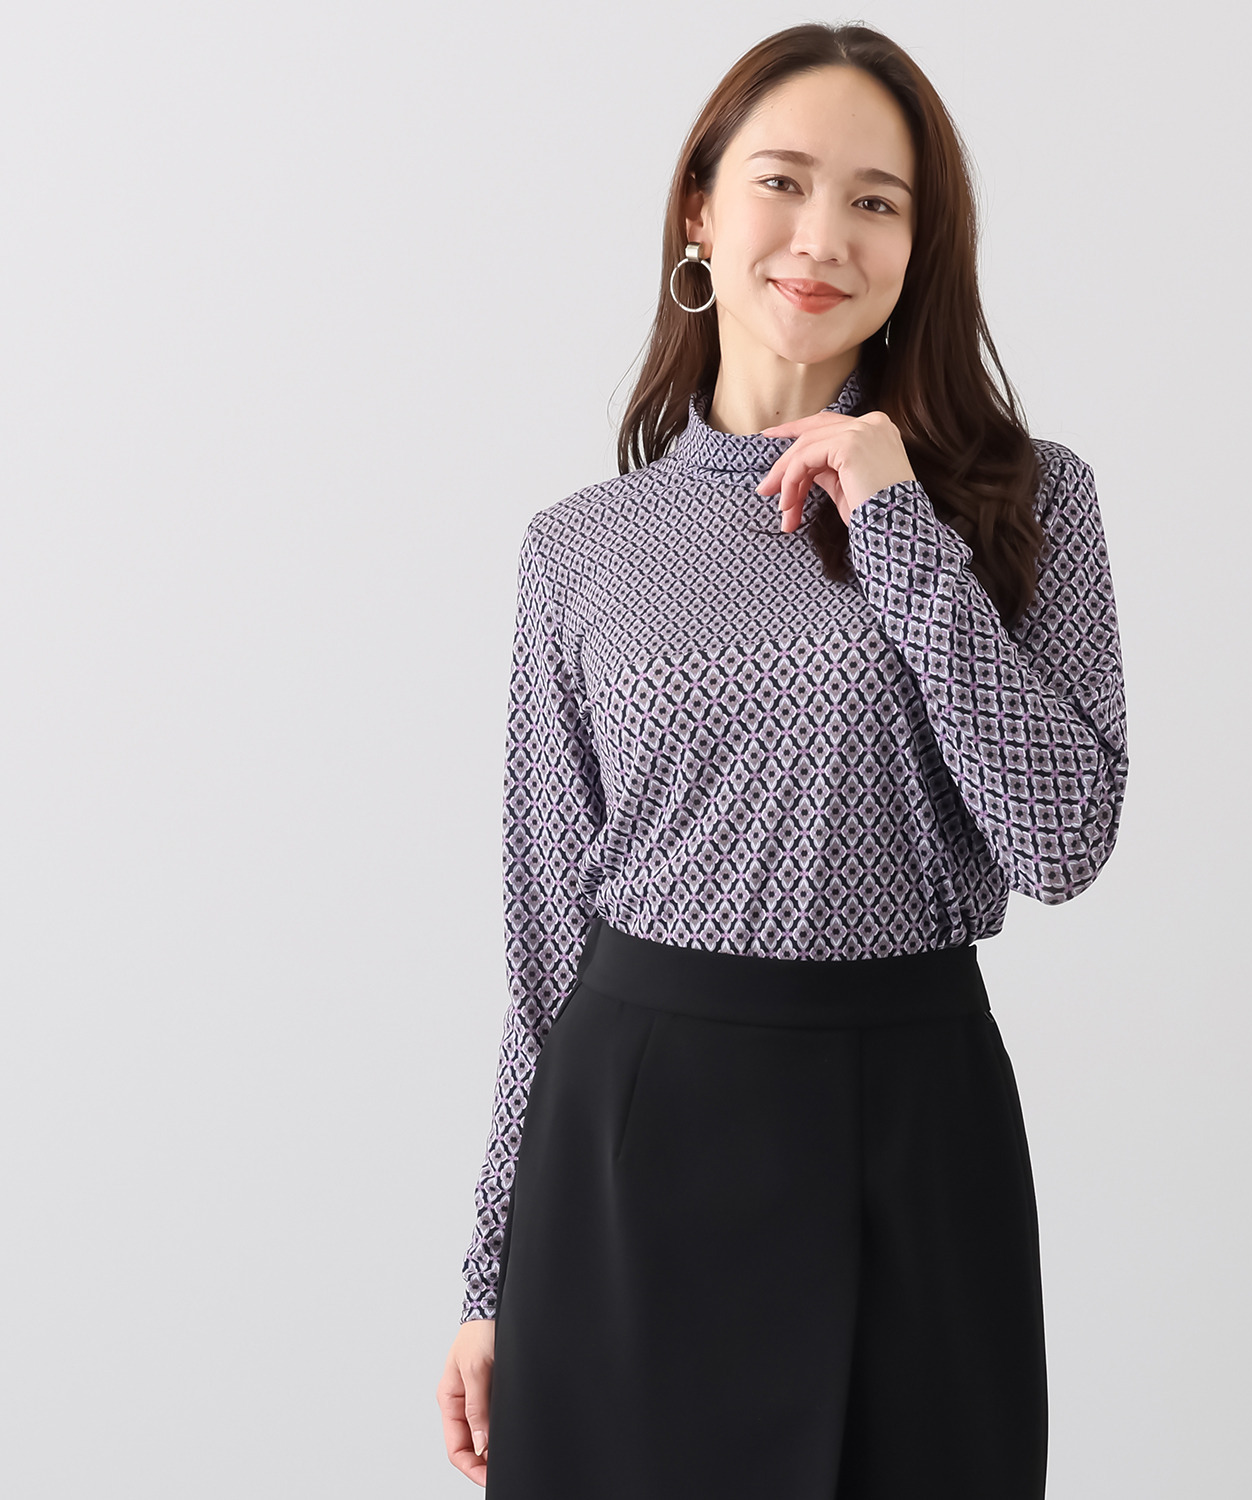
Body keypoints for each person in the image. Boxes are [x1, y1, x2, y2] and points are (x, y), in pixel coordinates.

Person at [436, 21, 1127, 1499]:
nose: (823, 237)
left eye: (876, 200)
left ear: (920, 246)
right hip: (633, 1142)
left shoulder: (1027, 501)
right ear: (700, 208)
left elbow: (1063, 840)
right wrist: (490, 1274)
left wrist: (895, 524)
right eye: (782, 182)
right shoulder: (583, 550)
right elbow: (546, 943)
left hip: (912, 1131)